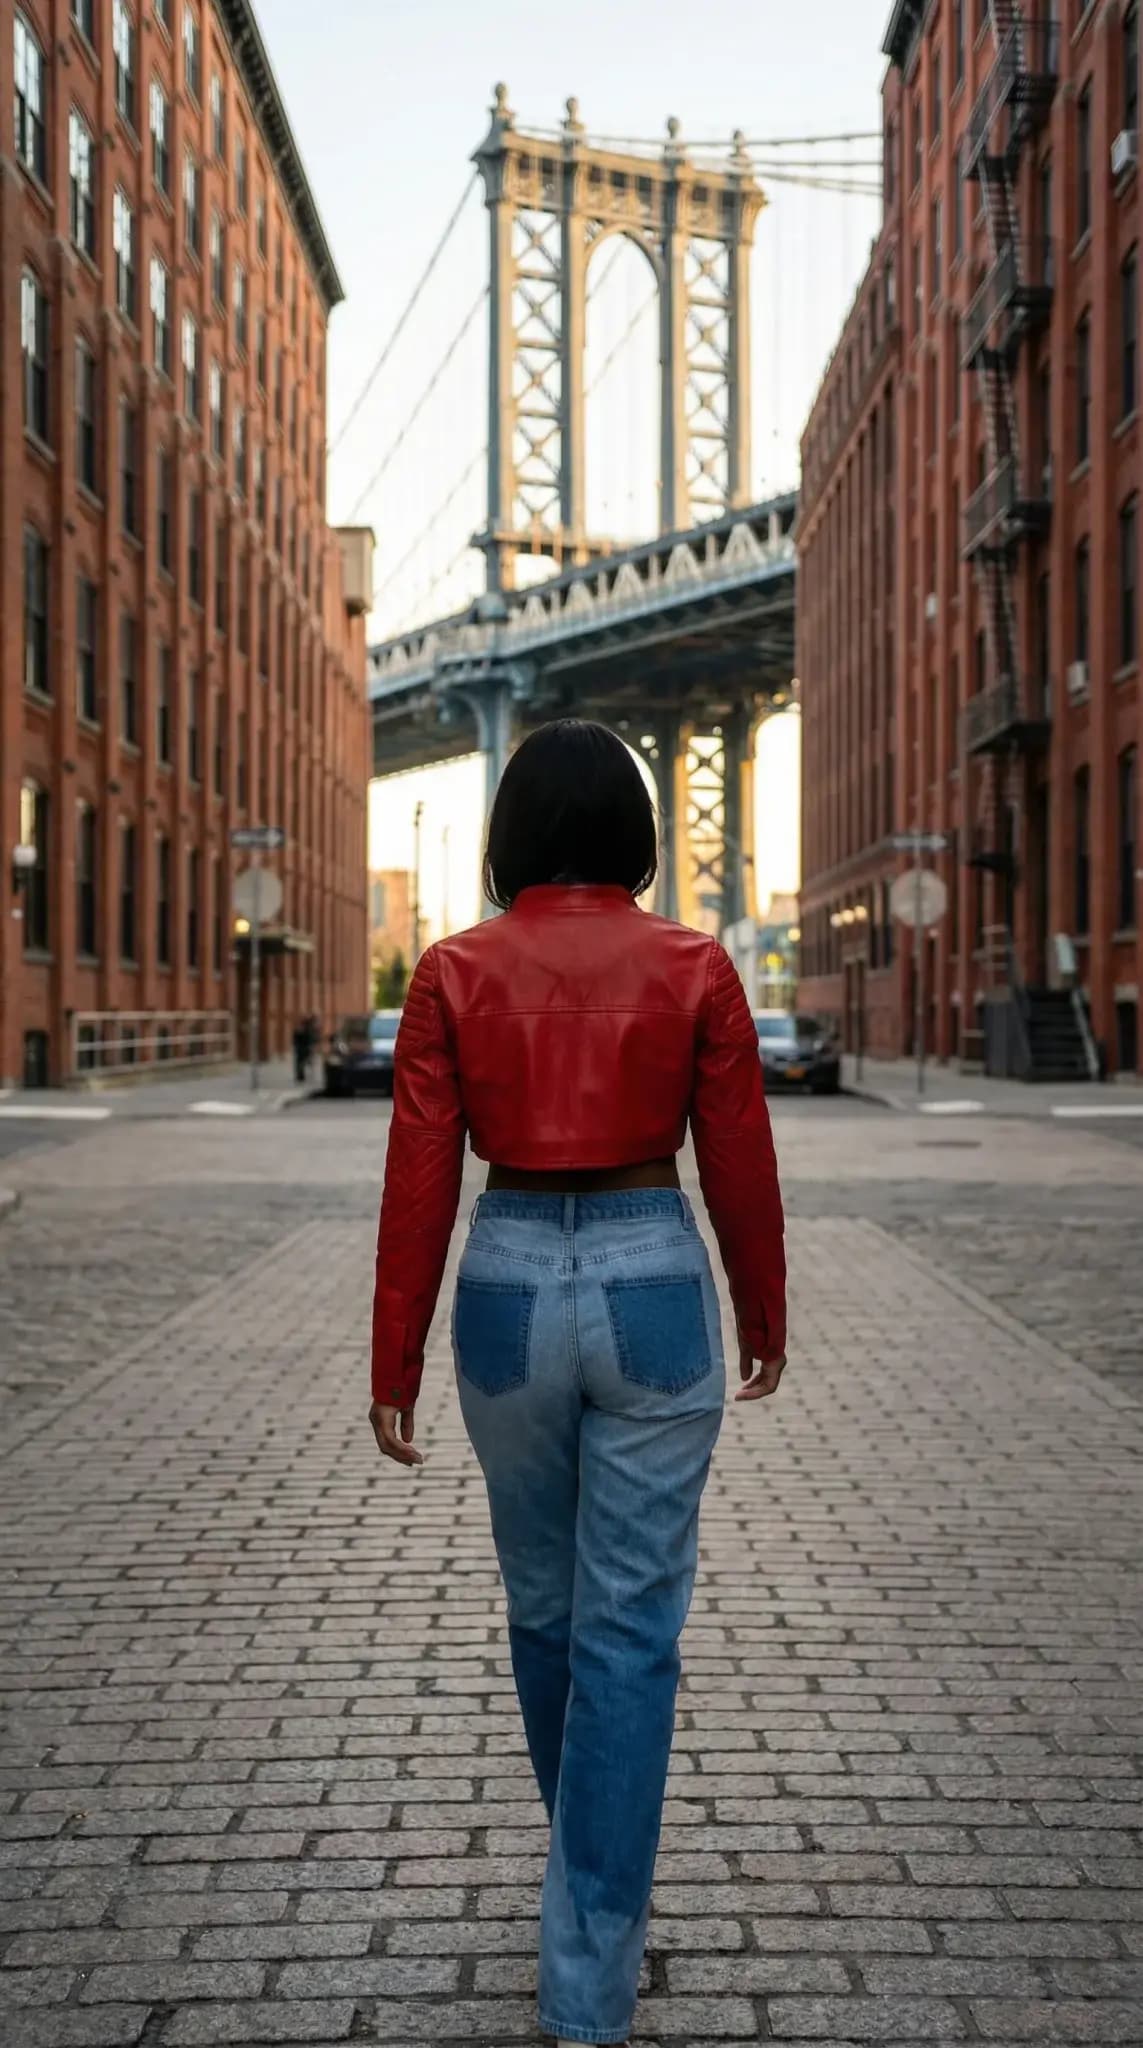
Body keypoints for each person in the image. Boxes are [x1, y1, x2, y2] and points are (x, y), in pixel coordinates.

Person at [369, 718, 786, 2048]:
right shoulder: (695, 965)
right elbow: (737, 1158)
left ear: (507, 841)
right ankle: (591, 1972)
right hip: (652, 1272)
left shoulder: (450, 971)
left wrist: (392, 1357)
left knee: (548, 1617)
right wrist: (765, 1309)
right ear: (635, 837)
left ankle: (583, 1895)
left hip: (500, 1288)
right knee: (631, 1638)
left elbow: (422, 1171)